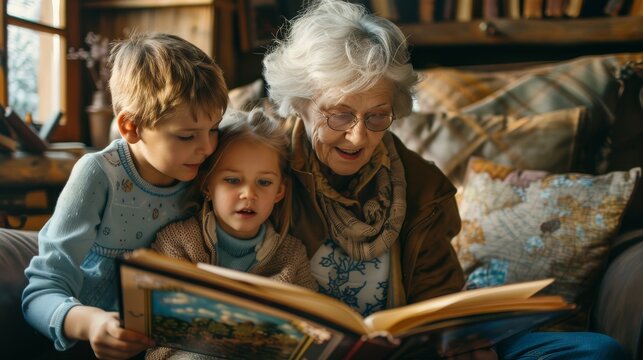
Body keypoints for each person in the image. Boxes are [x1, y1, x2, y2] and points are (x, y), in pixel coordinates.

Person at [262, 0, 626, 359]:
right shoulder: (259, 170)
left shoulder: (422, 186)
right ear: (300, 102)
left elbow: (436, 296)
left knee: (594, 349)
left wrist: (462, 341)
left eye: (377, 116)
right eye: (340, 115)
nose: (359, 137)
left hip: (405, 353)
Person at [22, 32, 228, 359]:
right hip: (90, 342)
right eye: (187, 135)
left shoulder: (205, 168)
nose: (206, 147)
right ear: (131, 127)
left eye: (214, 129)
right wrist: (91, 325)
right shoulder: (98, 174)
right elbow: (40, 292)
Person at [146, 108, 316, 360]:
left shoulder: (291, 255)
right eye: (233, 180)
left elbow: (311, 332)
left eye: (264, 182)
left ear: (279, 191)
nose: (249, 194)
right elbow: (161, 342)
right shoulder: (176, 243)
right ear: (207, 185)